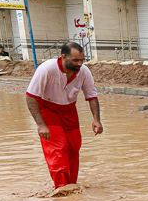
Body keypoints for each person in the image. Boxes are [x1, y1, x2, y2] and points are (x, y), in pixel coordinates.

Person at [25, 41, 103, 190]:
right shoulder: (47, 69)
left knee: (74, 147)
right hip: (47, 110)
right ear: (64, 57)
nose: (80, 64)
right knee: (58, 149)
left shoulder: (84, 71)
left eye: (82, 60)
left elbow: (92, 96)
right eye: (75, 60)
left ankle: (71, 186)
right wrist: (41, 124)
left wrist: (96, 119)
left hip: (69, 111)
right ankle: (61, 187)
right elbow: (30, 96)